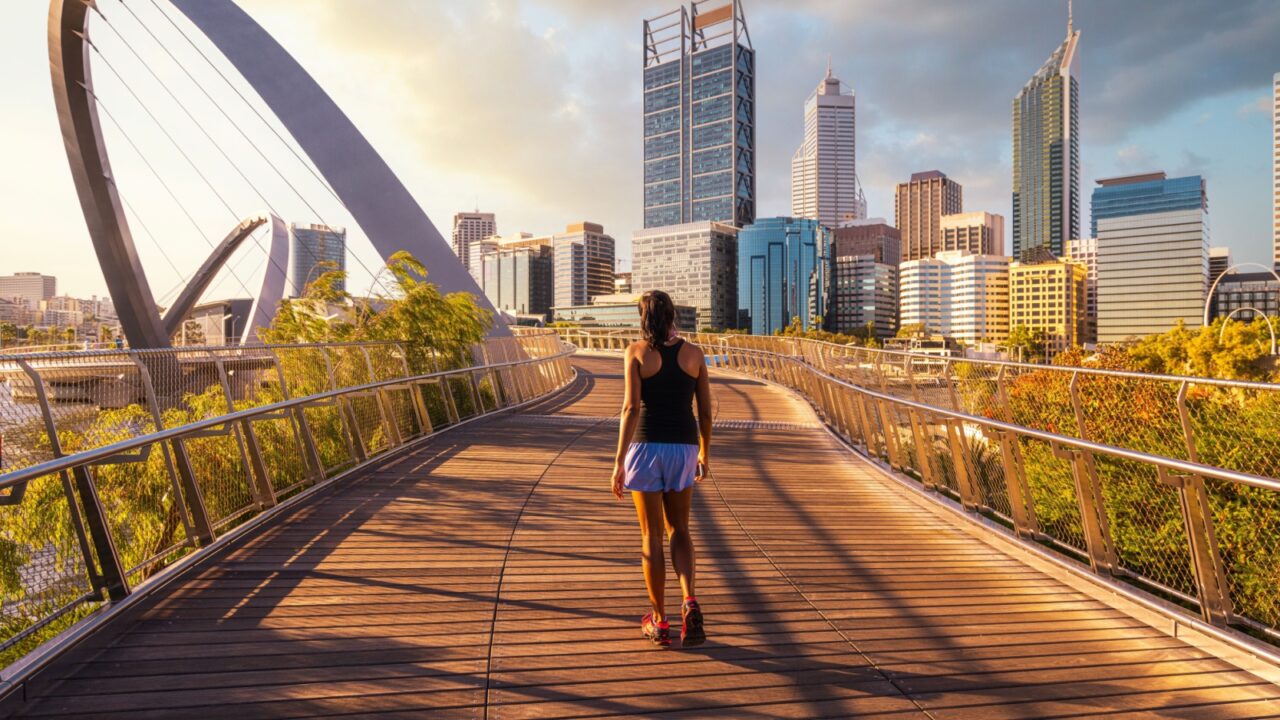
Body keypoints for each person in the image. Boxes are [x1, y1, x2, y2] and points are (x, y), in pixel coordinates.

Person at [611, 290, 712, 647]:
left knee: (651, 535)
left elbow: (630, 409)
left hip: (646, 446)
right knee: (680, 530)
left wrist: (619, 461)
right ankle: (689, 600)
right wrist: (704, 453)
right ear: (673, 315)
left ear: (643, 317)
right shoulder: (694, 354)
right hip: (683, 447)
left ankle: (660, 620)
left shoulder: (636, 353)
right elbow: (707, 412)